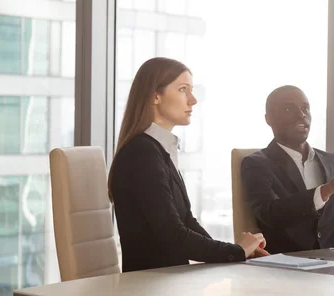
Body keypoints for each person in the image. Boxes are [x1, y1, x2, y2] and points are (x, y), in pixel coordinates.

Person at [108, 57, 268, 272]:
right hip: (151, 286)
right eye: (183, 89)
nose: (192, 100)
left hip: (170, 281)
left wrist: (234, 251)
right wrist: (237, 251)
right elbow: (173, 235)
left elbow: (186, 221)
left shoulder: (158, 150)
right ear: (155, 96)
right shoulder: (142, 154)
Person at [241, 85, 334, 254]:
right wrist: (327, 189)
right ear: (269, 118)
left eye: (305, 108)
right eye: (288, 108)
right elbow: (269, 213)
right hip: (283, 271)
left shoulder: (331, 161)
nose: (301, 114)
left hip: (332, 270)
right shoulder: (256, 164)